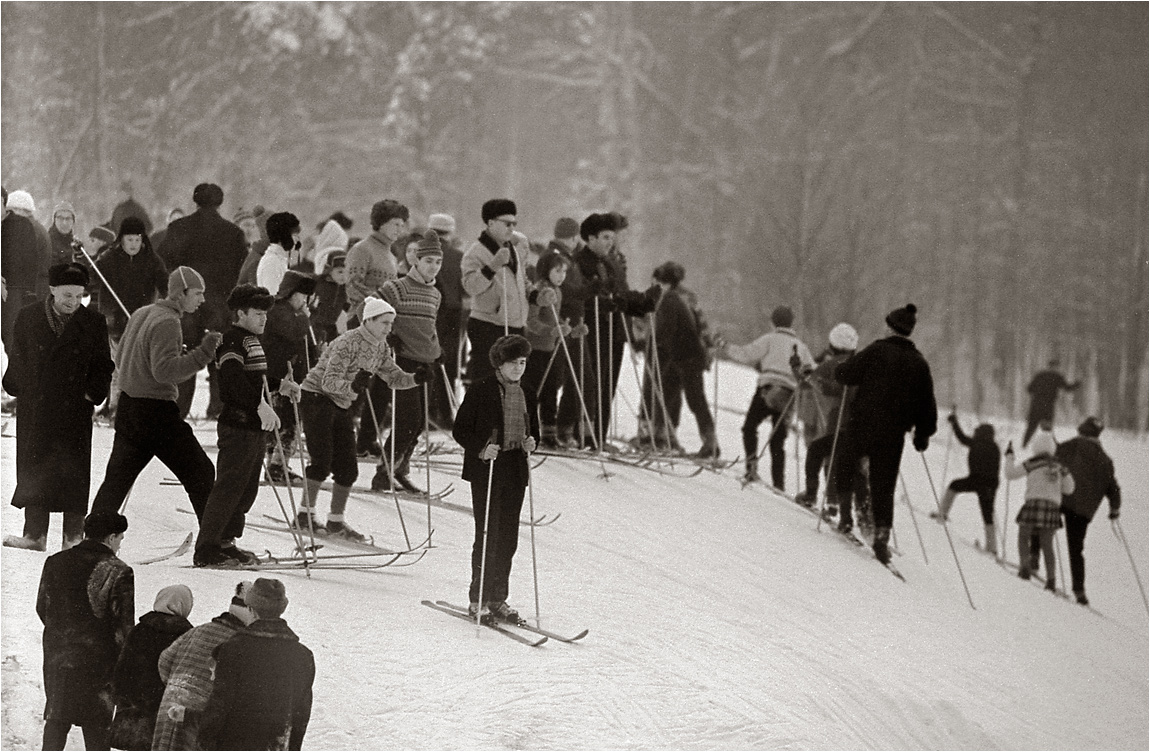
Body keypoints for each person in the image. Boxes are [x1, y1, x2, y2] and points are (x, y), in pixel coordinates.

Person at [89, 266, 220, 521]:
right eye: (197, 293)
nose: (202, 299)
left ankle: (94, 538)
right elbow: (164, 371)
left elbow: (123, 354)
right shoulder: (168, 322)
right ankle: (212, 543)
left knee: (116, 482)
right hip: (156, 412)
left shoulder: (141, 313)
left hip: (129, 409)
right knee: (201, 471)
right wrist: (202, 354)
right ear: (180, 294)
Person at [3, 262, 115, 551]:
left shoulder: (93, 322)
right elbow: (19, 356)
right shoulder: (29, 317)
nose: (73, 302)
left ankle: (73, 537)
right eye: (67, 295)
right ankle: (35, 535)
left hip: (74, 408)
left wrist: (93, 394)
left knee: (74, 471)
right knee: (35, 467)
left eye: (79, 296)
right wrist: (16, 385)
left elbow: (103, 365)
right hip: (37, 408)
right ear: (52, 290)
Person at [296, 297, 423, 540]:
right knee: (322, 460)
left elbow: (393, 377)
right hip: (317, 398)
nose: (388, 328)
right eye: (384, 322)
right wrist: (353, 384)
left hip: (341, 403)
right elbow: (328, 381)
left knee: (347, 467)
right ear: (369, 320)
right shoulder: (348, 342)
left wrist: (416, 378)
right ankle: (305, 515)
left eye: (391, 323)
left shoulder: (381, 346)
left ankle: (335, 521)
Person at [832, 304, 937, 564]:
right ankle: (881, 536)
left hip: (864, 423)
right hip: (893, 433)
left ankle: (845, 515)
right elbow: (927, 404)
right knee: (884, 484)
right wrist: (923, 434)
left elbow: (848, 374)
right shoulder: (919, 363)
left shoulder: (877, 350)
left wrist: (839, 369)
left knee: (845, 462)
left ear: (890, 327)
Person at [452, 335, 540, 621]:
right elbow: (460, 429)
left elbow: (533, 429)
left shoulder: (527, 390)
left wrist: (531, 442)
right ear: (499, 364)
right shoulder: (481, 389)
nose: (518, 368)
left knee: (509, 537)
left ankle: (498, 598)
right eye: (513, 362)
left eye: (523, 362)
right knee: (488, 534)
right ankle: (478, 599)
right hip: (488, 468)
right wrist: (481, 447)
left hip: (515, 465)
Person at [194, 284, 281, 567]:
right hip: (238, 425)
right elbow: (232, 383)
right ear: (241, 313)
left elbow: (256, 380)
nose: (263, 319)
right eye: (257, 313)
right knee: (229, 487)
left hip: (254, 426)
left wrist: (281, 386)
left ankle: (227, 541)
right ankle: (207, 548)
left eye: (265, 314)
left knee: (246, 489)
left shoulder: (251, 339)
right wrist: (258, 404)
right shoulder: (233, 341)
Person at [36, 511, 134, 751]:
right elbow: (123, 626)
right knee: (97, 727)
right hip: (98, 663)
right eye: (120, 538)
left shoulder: (55, 561)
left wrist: (62, 632)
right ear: (111, 537)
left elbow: (42, 607)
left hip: (59, 656)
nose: (120, 543)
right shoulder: (119, 570)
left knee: (57, 720)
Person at [562, 212, 660, 449]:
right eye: (605, 237)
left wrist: (642, 302)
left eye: (611, 238)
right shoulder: (580, 262)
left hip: (613, 331)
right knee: (589, 382)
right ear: (591, 238)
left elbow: (620, 294)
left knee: (607, 386)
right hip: (592, 329)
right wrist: (610, 303)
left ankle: (598, 435)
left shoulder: (611, 263)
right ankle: (579, 433)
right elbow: (583, 296)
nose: (610, 242)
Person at [158, 182, 247, 420]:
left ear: (195, 200)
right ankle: (217, 408)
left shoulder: (179, 228)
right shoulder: (233, 233)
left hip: (187, 301)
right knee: (218, 356)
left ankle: (178, 407)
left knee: (185, 353)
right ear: (220, 202)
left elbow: (164, 260)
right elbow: (241, 268)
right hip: (220, 302)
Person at [199, 578, 315, 751]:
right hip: (275, 745)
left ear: (251, 610)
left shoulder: (234, 649)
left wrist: (204, 741)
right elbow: (301, 715)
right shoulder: (303, 656)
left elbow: (219, 705)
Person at [372, 231, 442, 493]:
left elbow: (429, 325)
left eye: (437, 262)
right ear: (416, 261)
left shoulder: (435, 294)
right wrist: (388, 337)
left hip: (427, 361)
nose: (433, 267)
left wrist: (437, 348)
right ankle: (383, 471)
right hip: (404, 362)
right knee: (407, 419)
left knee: (421, 420)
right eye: (428, 261)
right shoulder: (396, 287)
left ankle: (400, 468)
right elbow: (369, 311)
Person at [154, 582, 258, 751]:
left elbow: (165, 660)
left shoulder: (198, 631)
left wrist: (176, 686)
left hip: (170, 706)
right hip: (199, 716)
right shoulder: (239, 644)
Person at [723, 305, 815, 487]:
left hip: (768, 389)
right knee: (778, 440)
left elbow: (746, 354)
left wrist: (724, 346)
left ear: (774, 322)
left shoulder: (770, 339)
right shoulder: (801, 347)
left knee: (750, 427)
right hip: (789, 395)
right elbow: (811, 371)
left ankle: (751, 467)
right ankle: (778, 483)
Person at [347, 199, 409, 456]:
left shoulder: (390, 254)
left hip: (383, 325)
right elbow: (353, 286)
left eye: (402, 224)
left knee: (381, 385)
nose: (399, 229)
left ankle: (368, 438)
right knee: (357, 382)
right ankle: (344, 435)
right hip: (363, 323)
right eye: (395, 224)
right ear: (381, 223)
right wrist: (376, 310)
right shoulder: (363, 249)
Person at [92, 216, 170, 421]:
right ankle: (114, 405)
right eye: (129, 240)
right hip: (114, 322)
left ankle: (129, 406)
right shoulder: (109, 258)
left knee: (134, 366)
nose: (134, 245)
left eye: (137, 240)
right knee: (117, 365)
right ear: (121, 240)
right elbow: (92, 276)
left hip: (141, 321)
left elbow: (165, 286)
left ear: (143, 240)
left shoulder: (152, 261)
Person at [646, 261, 718, 458]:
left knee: (694, 398)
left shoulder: (671, 298)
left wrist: (651, 341)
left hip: (687, 355)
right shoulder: (684, 297)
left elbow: (666, 327)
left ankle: (709, 441)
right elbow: (701, 324)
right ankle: (664, 436)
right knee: (668, 393)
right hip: (680, 354)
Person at [109, 584, 194, 751]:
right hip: (165, 715)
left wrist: (122, 699)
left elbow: (122, 669)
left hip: (134, 711)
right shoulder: (186, 635)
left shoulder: (140, 630)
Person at [794, 323, 862, 516]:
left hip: (838, 418)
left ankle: (820, 498)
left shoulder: (831, 364)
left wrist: (798, 369)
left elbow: (808, 383)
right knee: (850, 463)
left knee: (827, 455)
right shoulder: (861, 364)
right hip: (861, 423)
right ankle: (848, 510)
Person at [461, 198, 531, 385]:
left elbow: (521, 280)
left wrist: (535, 295)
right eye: (507, 223)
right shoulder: (475, 252)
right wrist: (492, 267)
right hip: (489, 325)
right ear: (491, 223)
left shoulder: (513, 249)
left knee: (512, 384)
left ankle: (505, 415)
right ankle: (482, 415)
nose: (511, 228)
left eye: (514, 224)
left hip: (515, 323)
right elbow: (470, 286)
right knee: (488, 382)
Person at [1055, 416, 1121, 605]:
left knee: (1042, 520)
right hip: (1084, 511)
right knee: (1076, 549)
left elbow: (1055, 452)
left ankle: (1033, 559)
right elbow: (1113, 488)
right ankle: (1079, 590)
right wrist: (1114, 509)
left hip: (1066, 499)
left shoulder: (1076, 444)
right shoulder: (1106, 461)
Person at [264, 270, 318, 485]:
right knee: (288, 422)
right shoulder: (278, 311)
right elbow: (293, 333)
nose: (304, 302)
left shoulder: (290, 312)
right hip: (280, 374)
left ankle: (277, 463)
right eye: (301, 296)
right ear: (290, 294)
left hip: (290, 373)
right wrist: (304, 318)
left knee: (285, 420)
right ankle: (277, 465)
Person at [1005, 430, 1074, 590]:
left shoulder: (1032, 463)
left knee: (1024, 536)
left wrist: (1009, 457)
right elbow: (1070, 489)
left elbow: (1010, 474)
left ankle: (1025, 568)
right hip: (1052, 508)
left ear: (1036, 447)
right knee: (1047, 543)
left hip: (1033, 504)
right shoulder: (1060, 467)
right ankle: (1051, 580)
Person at [522, 251, 578, 448]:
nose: (562, 275)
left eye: (564, 271)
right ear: (546, 270)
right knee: (534, 389)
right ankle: (528, 432)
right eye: (557, 270)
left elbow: (555, 318)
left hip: (550, 349)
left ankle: (549, 433)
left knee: (551, 390)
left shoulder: (557, 290)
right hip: (536, 349)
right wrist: (552, 331)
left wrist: (568, 329)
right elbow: (531, 322)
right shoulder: (540, 290)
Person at [930, 413, 1002, 554]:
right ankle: (992, 547)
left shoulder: (977, 442)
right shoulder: (994, 447)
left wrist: (954, 423)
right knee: (988, 512)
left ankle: (942, 514)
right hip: (990, 484)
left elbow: (962, 438)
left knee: (954, 485)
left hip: (975, 480)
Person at [429, 212, 465, 429]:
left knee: (429, 359)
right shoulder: (458, 256)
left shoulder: (425, 254)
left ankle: (430, 410)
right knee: (449, 362)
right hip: (454, 312)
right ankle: (445, 412)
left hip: (430, 309)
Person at [1, 189, 51, 345]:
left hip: (25, 288)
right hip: (34, 288)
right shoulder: (36, 227)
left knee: (14, 335)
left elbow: (24, 262)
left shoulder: (27, 227)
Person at [1023, 359, 1082, 446]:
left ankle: (1024, 445)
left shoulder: (1040, 375)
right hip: (1048, 406)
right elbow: (1067, 388)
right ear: (1056, 367)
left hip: (1036, 405)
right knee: (1047, 429)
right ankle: (1048, 448)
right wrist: (1077, 384)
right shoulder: (1057, 377)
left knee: (1031, 427)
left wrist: (1038, 394)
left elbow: (1029, 389)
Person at [257, 211, 302, 296]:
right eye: (295, 235)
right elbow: (273, 300)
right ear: (285, 236)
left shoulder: (278, 259)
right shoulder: (272, 262)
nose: (297, 240)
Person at [311, 250, 349, 345]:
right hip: (316, 325)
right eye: (340, 272)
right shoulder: (320, 284)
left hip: (331, 325)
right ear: (329, 270)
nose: (343, 276)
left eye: (346, 272)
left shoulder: (344, 288)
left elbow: (346, 304)